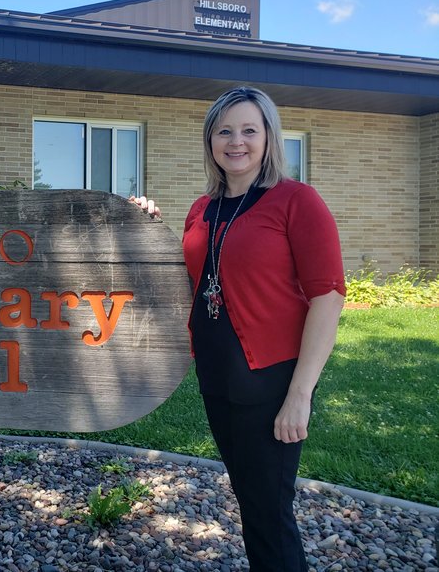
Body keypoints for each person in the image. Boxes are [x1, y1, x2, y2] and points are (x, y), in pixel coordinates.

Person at [132, 86, 345, 571]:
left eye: (250, 129)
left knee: (269, 513)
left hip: (270, 381)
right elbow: (187, 278)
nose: (237, 141)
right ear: (210, 140)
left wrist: (300, 394)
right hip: (217, 377)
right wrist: (143, 225)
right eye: (224, 131)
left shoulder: (297, 201)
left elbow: (328, 298)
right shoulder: (202, 208)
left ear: (270, 137)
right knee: (252, 502)